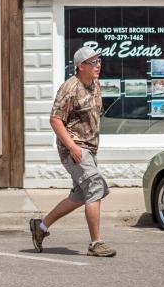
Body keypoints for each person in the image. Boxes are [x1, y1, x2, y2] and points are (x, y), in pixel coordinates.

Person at [29, 46, 115, 257]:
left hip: (90, 148)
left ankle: (41, 227)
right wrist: (73, 147)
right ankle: (96, 243)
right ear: (81, 66)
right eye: (93, 62)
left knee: (79, 197)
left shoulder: (95, 85)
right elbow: (55, 120)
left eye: (99, 61)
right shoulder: (69, 88)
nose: (98, 65)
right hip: (74, 149)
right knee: (95, 186)